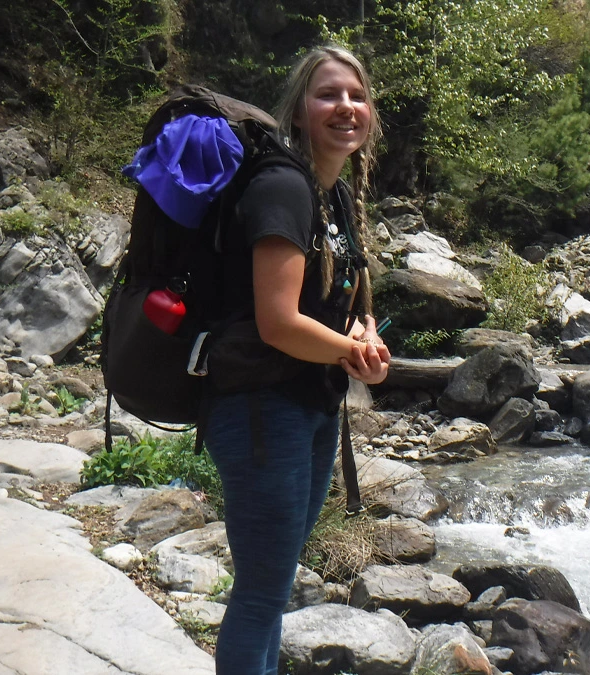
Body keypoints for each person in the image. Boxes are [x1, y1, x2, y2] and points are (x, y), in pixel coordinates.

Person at [203, 45, 390, 673]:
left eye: (356, 96)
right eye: (328, 95)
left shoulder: (332, 193)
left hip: (307, 408)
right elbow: (278, 321)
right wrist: (353, 353)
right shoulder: (283, 187)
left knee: (272, 591)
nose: (346, 108)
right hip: (261, 408)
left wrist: (361, 333)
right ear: (300, 110)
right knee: (260, 595)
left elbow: (337, 297)